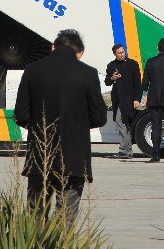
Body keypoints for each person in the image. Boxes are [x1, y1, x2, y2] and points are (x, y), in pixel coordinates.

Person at [14, 29, 106, 225]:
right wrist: (77, 125)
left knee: (35, 216)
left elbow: (21, 115)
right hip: (73, 159)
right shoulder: (88, 73)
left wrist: (38, 126)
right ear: (80, 52)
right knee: (66, 217)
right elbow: (99, 117)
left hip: (40, 155)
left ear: (53, 47)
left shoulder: (32, 71)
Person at [104, 44, 141, 159]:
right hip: (118, 100)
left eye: (123, 52)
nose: (122, 54)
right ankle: (126, 150)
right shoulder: (111, 66)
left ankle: (126, 150)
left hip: (130, 100)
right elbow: (107, 81)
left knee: (125, 123)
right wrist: (112, 78)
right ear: (114, 54)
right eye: (119, 53)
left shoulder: (132, 64)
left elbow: (137, 83)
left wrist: (136, 99)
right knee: (121, 122)